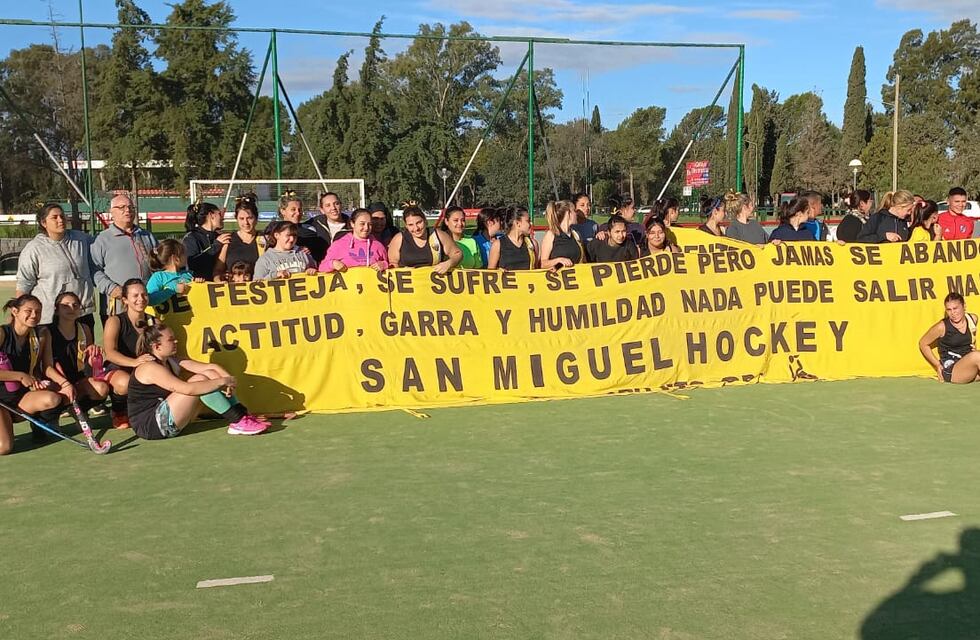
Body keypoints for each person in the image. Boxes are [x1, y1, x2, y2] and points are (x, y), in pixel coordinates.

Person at [128, 323, 267, 439]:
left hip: (165, 419)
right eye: (171, 340)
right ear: (156, 346)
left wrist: (228, 379)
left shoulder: (171, 360)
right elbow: (188, 389)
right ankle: (236, 421)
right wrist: (223, 381)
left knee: (208, 374)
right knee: (199, 381)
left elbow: (210, 367)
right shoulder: (149, 367)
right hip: (151, 426)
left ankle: (242, 416)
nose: (176, 342)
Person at [0, 295, 71, 453]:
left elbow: (47, 367)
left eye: (38, 312)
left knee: (53, 398)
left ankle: (40, 428)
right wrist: (19, 376)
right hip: (1, 402)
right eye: (28, 311)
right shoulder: (2, 333)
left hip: (19, 398)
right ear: (15, 311)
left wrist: (65, 384)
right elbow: (20, 376)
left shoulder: (41, 335)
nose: (34, 315)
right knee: (4, 448)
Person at [16, 203, 97, 327]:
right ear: (44, 223)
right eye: (54, 217)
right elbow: (24, 283)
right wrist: (19, 317)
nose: (60, 220)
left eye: (62, 216)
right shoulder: (34, 249)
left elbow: (102, 249)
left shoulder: (81, 239)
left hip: (82, 314)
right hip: (51, 318)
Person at [91, 193, 158, 323]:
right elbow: (94, 270)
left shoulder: (147, 236)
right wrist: (112, 288)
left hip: (147, 303)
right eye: (121, 207)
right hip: (117, 306)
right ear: (112, 213)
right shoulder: (102, 240)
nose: (127, 210)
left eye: (130, 207)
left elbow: (159, 264)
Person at [103, 279, 157, 429]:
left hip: (143, 367)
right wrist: (134, 362)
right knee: (125, 383)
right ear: (125, 300)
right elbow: (110, 352)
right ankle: (118, 411)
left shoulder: (153, 321)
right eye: (135, 296)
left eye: (144, 295)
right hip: (118, 367)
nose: (141, 299)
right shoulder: (115, 321)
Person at [47, 291, 109, 413]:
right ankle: (53, 414)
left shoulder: (84, 329)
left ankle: (76, 410)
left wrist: (93, 355)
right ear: (57, 309)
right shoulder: (47, 332)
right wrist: (64, 383)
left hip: (77, 379)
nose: (71, 308)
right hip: (54, 381)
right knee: (53, 399)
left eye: (75, 305)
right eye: (65, 305)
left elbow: (87, 361)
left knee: (102, 389)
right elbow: (46, 365)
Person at [918, 292, 980, 383]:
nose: (953, 313)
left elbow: (971, 340)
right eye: (949, 310)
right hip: (952, 370)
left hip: (969, 368)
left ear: (964, 306)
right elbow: (923, 343)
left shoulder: (972, 319)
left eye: (955, 308)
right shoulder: (942, 327)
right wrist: (937, 365)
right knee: (976, 356)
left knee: (976, 355)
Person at [388, 206, 461, 273]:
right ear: (406, 226)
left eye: (419, 222)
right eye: (411, 225)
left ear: (425, 220)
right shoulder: (399, 239)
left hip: (434, 284)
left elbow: (457, 254)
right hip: (408, 285)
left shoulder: (438, 235)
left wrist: (449, 263)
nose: (416, 228)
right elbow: (393, 264)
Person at [318, 209, 389, 273]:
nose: (366, 228)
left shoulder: (378, 246)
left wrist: (384, 265)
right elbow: (322, 268)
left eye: (369, 224)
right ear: (352, 224)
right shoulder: (339, 245)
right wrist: (333, 264)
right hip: (348, 287)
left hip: (371, 286)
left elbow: (389, 265)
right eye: (362, 224)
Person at [215, 193, 264, 279]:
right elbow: (218, 270)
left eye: (249, 218)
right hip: (233, 290)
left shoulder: (264, 240)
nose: (246, 222)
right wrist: (219, 281)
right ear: (236, 218)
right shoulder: (228, 240)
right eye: (241, 218)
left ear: (256, 218)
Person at [273, 192, 328, 263]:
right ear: (283, 211)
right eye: (293, 209)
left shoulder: (310, 230)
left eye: (300, 209)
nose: (298, 213)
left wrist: (310, 250)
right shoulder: (274, 230)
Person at [182, 201, 230, 280]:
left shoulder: (220, 236)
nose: (222, 218)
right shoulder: (191, 238)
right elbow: (192, 263)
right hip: (200, 287)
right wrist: (216, 246)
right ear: (211, 215)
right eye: (219, 214)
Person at [253, 222, 318, 280]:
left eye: (294, 236)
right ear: (276, 235)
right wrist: (274, 275)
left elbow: (318, 273)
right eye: (288, 235)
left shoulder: (304, 253)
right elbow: (257, 283)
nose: (292, 239)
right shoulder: (265, 259)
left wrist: (312, 271)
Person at [146, 240, 201, 306]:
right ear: (175, 258)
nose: (186, 256)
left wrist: (198, 284)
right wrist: (172, 289)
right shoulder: (159, 277)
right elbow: (150, 299)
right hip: (167, 316)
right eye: (183, 253)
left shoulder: (189, 274)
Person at [539, 200, 585, 270]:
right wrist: (558, 260)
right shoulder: (551, 235)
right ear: (568, 213)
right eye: (574, 211)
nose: (576, 214)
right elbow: (542, 263)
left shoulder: (576, 235)